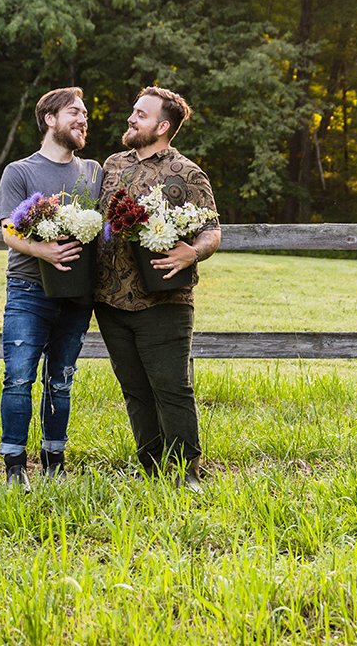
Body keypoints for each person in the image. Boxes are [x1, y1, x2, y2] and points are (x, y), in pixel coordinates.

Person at [94, 86, 220, 492]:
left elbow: (212, 230)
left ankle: (187, 471)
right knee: (133, 388)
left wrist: (192, 253)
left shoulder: (187, 173)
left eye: (140, 114)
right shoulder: (112, 165)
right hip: (111, 298)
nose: (131, 118)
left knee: (172, 387)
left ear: (162, 126)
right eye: (133, 111)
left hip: (164, 299)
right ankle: (150, 465)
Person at [0, 86, 104, 489]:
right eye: (74, 112)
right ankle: (14, 466)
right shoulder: (19, 172)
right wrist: (42, 249)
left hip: (77, 295)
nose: (83, 119)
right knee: (19, 377)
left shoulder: (93, 172)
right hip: (27, 289)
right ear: (50, 119)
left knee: (61, 378)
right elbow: (8, 230)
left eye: (85, 114)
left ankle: (54, 459)